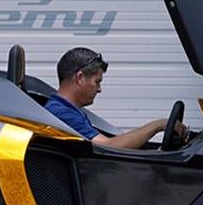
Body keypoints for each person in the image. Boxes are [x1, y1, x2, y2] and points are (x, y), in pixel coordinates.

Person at [44, 47, 181, 150]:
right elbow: (108, 147)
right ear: (80, 78)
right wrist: (159, 125)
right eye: (97, 82)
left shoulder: (66, 110)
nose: (99, 89)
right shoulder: (61, 114)